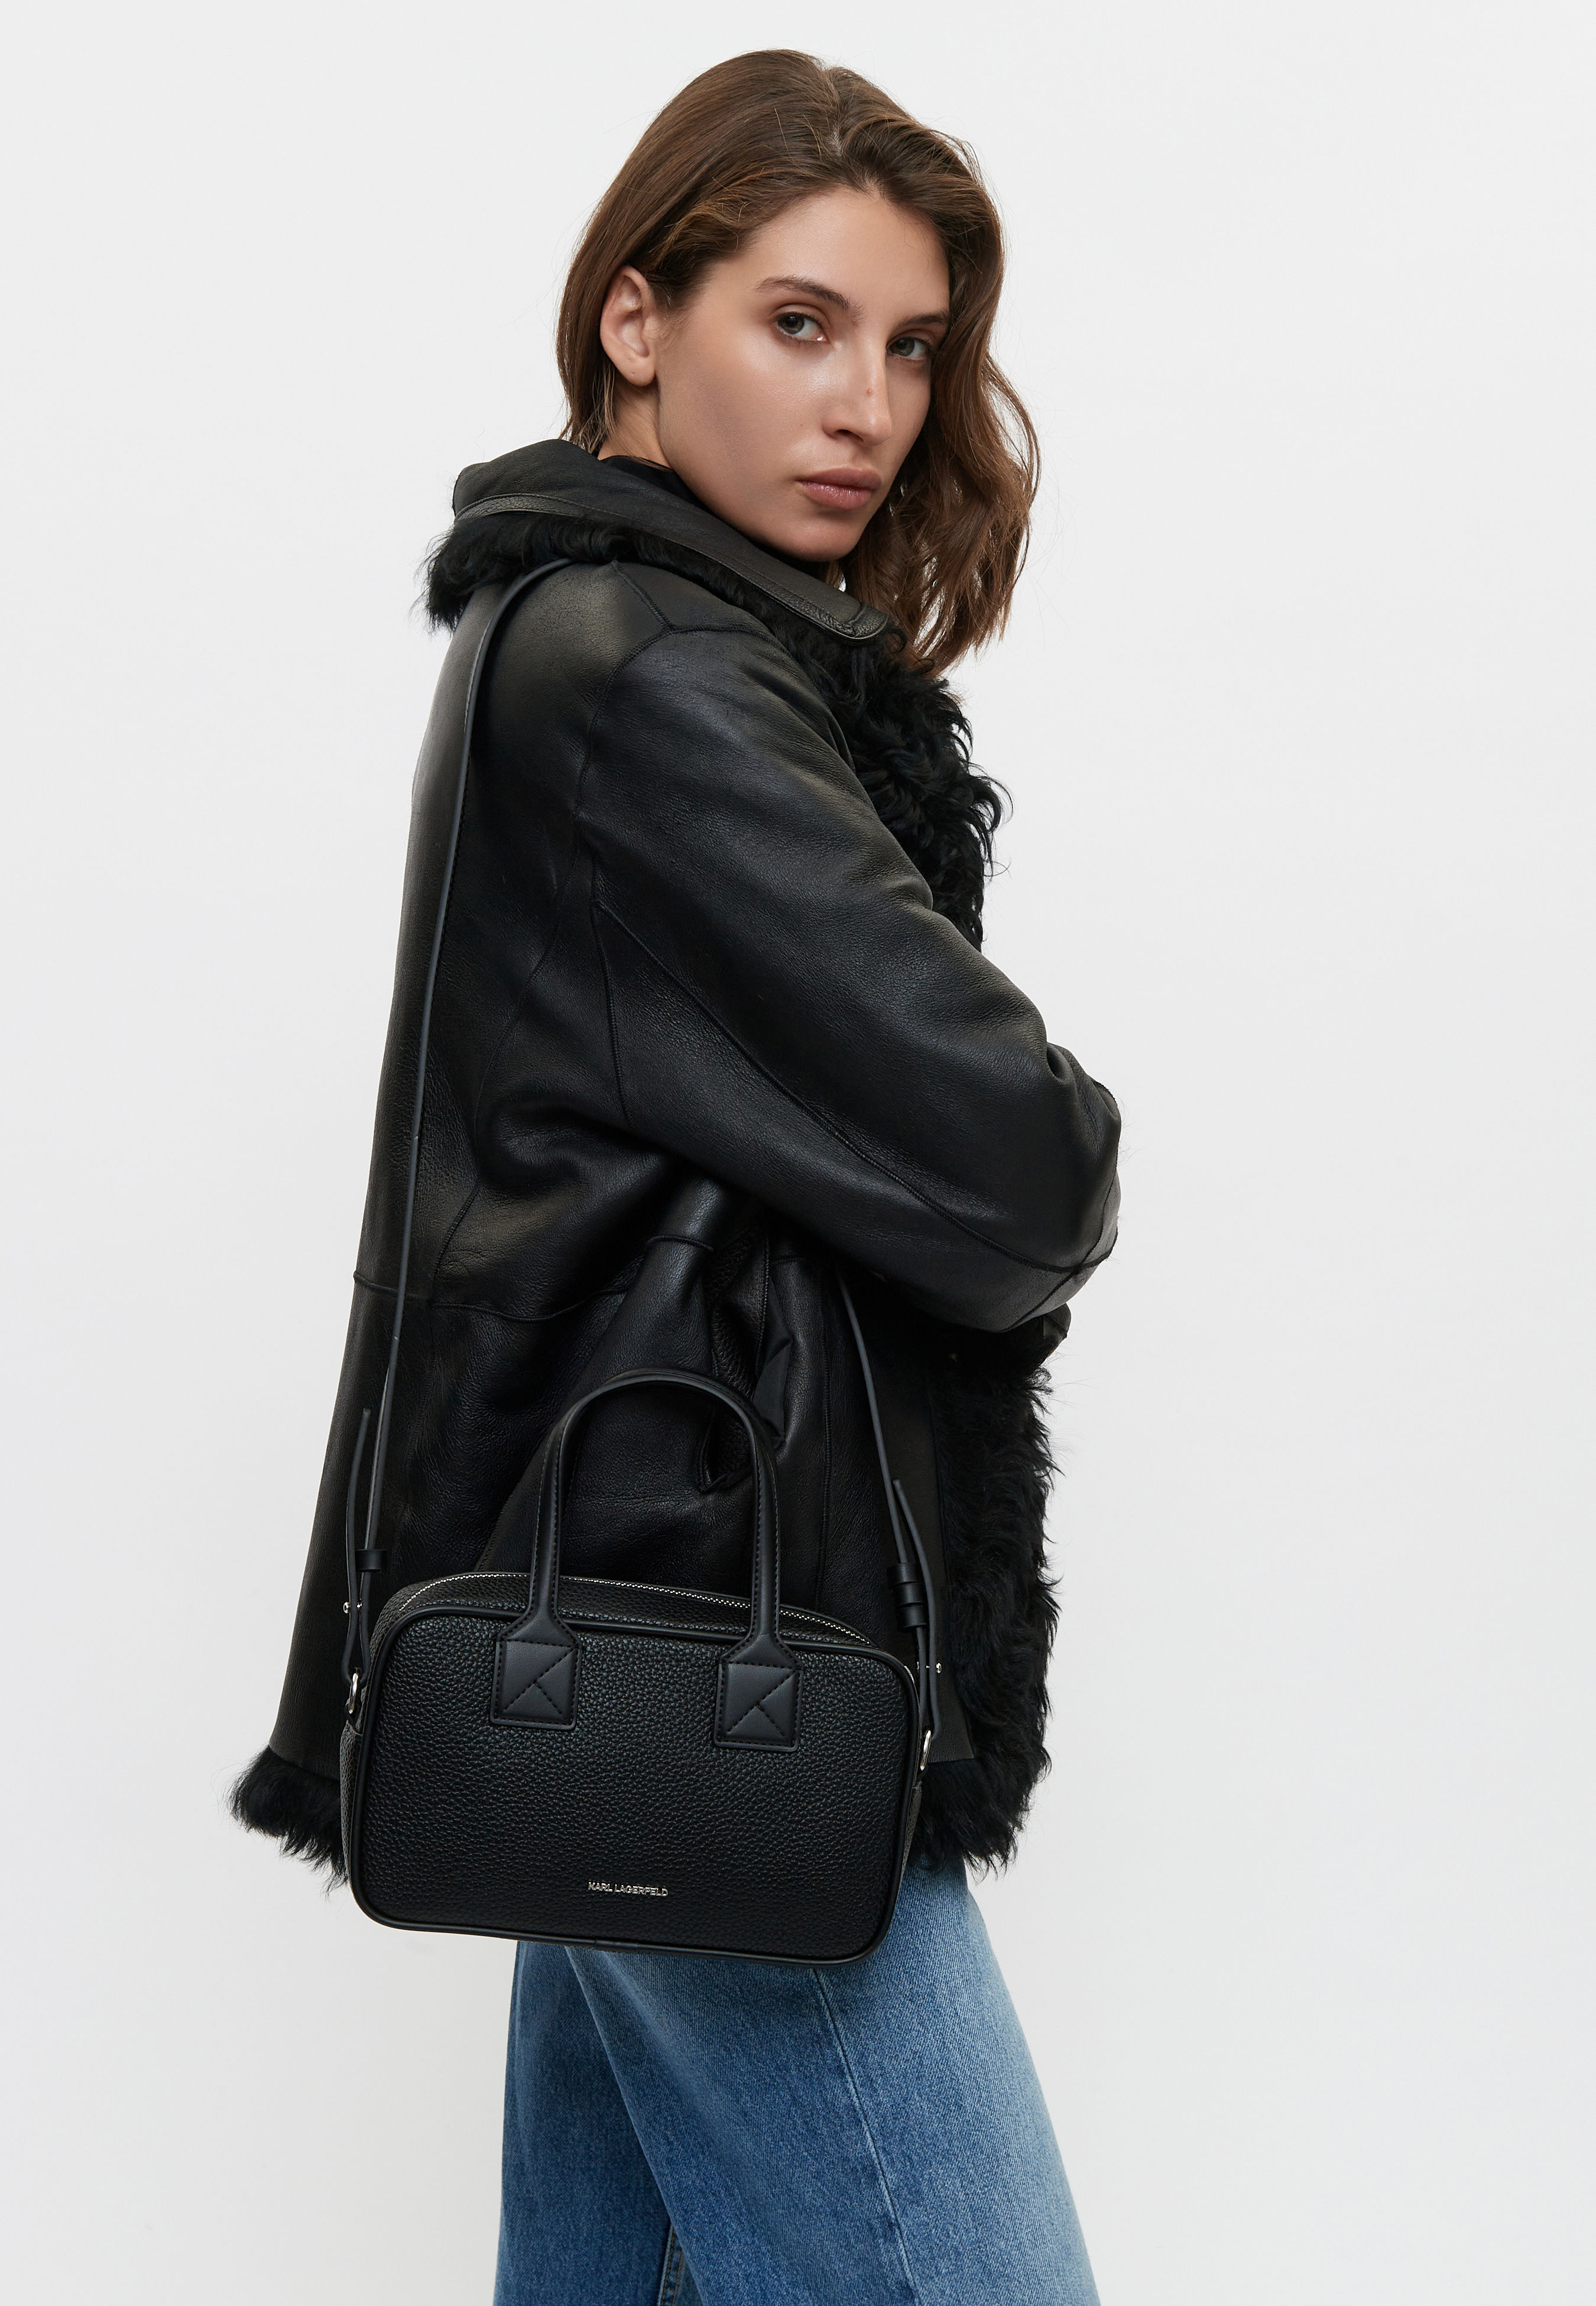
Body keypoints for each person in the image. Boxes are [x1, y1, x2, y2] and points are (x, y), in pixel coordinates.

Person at [233, 49, 1120, 2306]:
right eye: (798, 323)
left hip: (615, 1643)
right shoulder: (657, 677)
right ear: (636, 320)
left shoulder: (574, 632)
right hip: (721, 1661)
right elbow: (1025, 1167)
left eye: (910, 346)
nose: (869, 407)